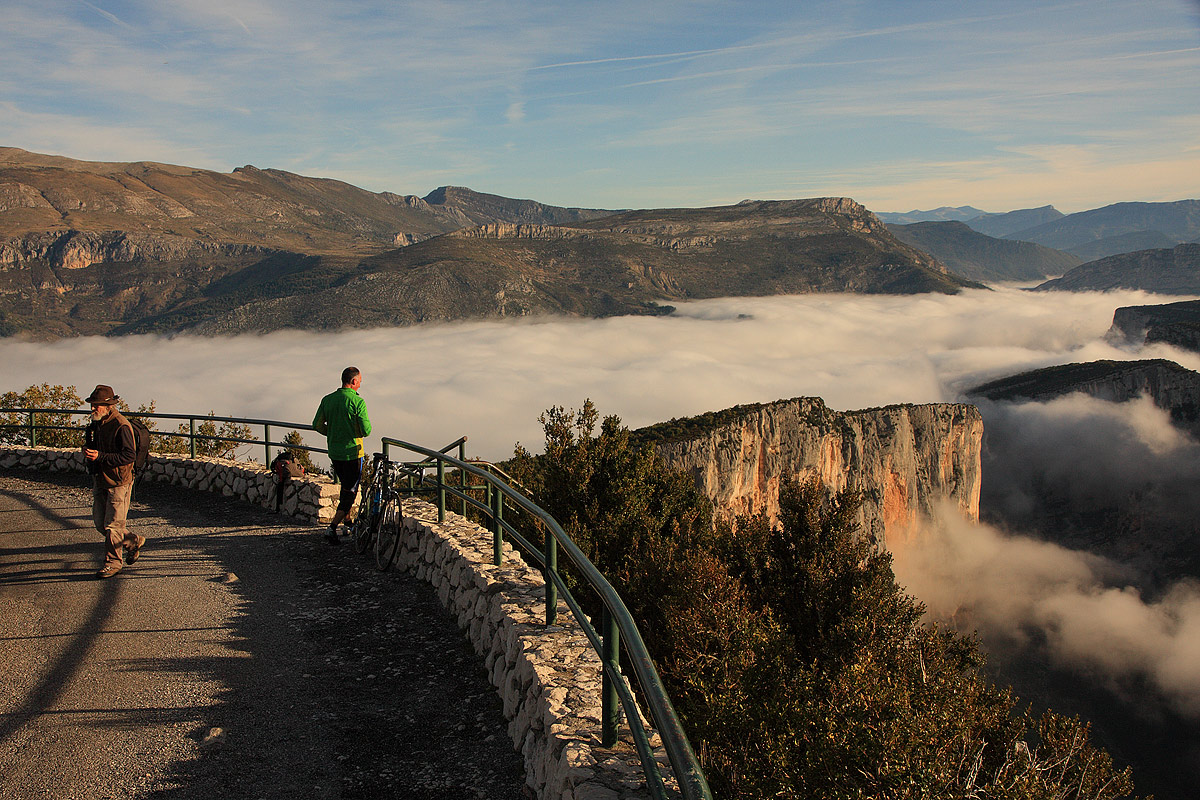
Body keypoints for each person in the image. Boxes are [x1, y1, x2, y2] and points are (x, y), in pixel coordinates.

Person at [82, 385, 145, 579]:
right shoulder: (98, 423)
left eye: (97, 405)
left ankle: (113, 563)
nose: (93, 409)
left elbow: (129, 455)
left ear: (108, 405)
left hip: (119, 482)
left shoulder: (121, 425)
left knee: (112, 526)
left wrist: (100, 457)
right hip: (101, 479)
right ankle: (133, 541)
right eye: (93, 405)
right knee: (102, 524)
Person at [312, 366, 371, 545]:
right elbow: (366, 430)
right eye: (360, 380)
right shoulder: (358, 402)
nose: (361, 384)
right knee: (351, 492)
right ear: (353, 381)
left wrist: (333, 433)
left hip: (335, 452)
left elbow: (317, 424)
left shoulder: (328, 400)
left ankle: (348, 523)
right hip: (353, 453)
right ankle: (332, 528)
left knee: (345, 487)